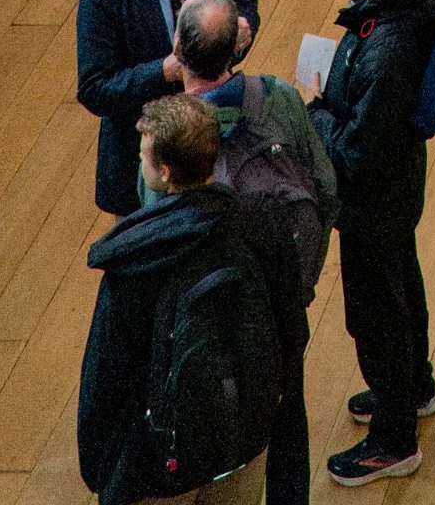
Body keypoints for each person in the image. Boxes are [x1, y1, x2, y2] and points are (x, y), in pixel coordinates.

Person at [77, 96, 304, 505]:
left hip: (159, 460)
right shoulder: (262, 223)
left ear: (164, 171)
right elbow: (291, 327)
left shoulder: (134, 258)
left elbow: (105, 375)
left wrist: (100, 469)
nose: (140, 161)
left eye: (143, 156)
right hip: (242, 437)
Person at [170, 0, 337, 503]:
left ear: (177, 50)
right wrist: (299, 283)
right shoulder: (280, 98)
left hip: (206, 315)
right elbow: (325, 189)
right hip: (280, 300)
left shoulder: (170, 135)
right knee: (288, 416)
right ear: (237, 46)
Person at [312, 0, 435, 487]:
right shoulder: (419, 2)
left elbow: (355, 152)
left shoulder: (389, 49)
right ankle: (415, 387)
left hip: (372, 197)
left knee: (377, 316)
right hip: (398, 187)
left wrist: (317, 114)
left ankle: (393, 440)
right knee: (402, 286)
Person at [77, 0, 259, 217]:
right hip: (146, 158)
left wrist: (237, 29)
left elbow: (246, 0)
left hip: (218, 141)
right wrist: (164, 71)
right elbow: (94, 88)